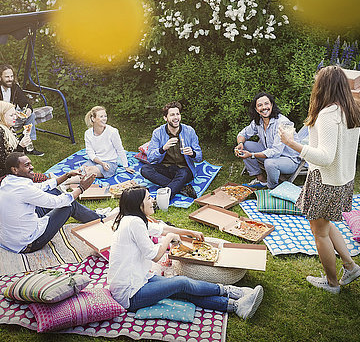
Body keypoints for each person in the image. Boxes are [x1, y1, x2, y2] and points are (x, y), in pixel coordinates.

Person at [107, 186, 264, 319]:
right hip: (130, 295)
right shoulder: (134, 223)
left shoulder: (133, 220)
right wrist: (169, 238)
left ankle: (235, 306)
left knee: (183, 290)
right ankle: (231, 291)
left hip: (140, 280)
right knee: (182, 282)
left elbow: (163, 229)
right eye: (149, 198)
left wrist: (189, 232)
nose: (153, 200)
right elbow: (155, 256)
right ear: (139, 204)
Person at [280, 66, 360, 294]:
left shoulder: (329, 114)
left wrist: (292, 144)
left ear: (323, 86)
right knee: (326, 225)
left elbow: (326, 157)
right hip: (343, 179)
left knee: (319, 232)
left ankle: (332, 283)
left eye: (316, 81)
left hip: (325, 180)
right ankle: (350, 266)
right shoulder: (352, 107)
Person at [0, 152, 102, 254]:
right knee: (69, 204)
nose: (32, 167)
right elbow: (58, 202)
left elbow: (42, 187)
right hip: (28, 243)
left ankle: (94, 216)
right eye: (27, 165)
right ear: (15, 170)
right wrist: (81, 188)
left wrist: (67, 175)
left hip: (9, 242)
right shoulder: (23, 189)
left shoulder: (8, 182)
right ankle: (101, 220)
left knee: (53, 191)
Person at [234, 92, 301, 189]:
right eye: (260, 105)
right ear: (256, 110)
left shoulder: (282, 122)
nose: (264, 107)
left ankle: (272, 188)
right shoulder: (259, 121)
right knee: (245, 145)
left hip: (289, 160)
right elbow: (242, 134)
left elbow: (276, 152)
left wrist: (251, 155)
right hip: (270, 154)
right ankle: (261, 180)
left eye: (266, 104)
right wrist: (240, 143)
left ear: (272, 105)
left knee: (269, 163)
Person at [0, 64, 44, 156]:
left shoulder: (14, 87)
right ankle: (9, 148)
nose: (10, 79)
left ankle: (28, 145)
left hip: (9, 115)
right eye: (7, 77)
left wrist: (28, 109)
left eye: (12, 76)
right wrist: (10, 115)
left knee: (31, 115)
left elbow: (24, 102)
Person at [140, 101, 202, 200]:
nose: (176, 117)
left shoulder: (189, 131)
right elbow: (151, 157)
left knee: (184, 173)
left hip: (183, 169)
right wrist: (163, 148)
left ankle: (163, 198)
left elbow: (199, 157)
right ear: (166, 118)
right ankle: (181, 187)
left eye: (178, 114)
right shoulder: (157, 133)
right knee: (145, 169)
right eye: (172, 115)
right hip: (165, 168)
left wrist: (192, 153)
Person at [0, 101, 48, 194]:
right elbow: (7, 163)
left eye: (15, 114)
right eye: (11, 115)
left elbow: (16, 156)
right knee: (42, 180)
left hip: (11, 174)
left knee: (42, 178)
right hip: (0, 180)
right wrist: (20, 146)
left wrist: (23, 142)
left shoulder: (7, 129)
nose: (15, 118)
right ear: (1, 116)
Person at [82, 106, 134, 178]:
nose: (104, 119)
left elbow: (120, 149)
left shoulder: (112, 132)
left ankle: (66, 184)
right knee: (81, 170)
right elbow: (90, 152)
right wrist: (101, 163)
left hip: (110, 163)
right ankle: (66, 185)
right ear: (93, 119)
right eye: (101, 116)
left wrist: (126, 166)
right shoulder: (88, 133)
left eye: (105, 116)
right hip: (95, 161)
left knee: (89, 172)